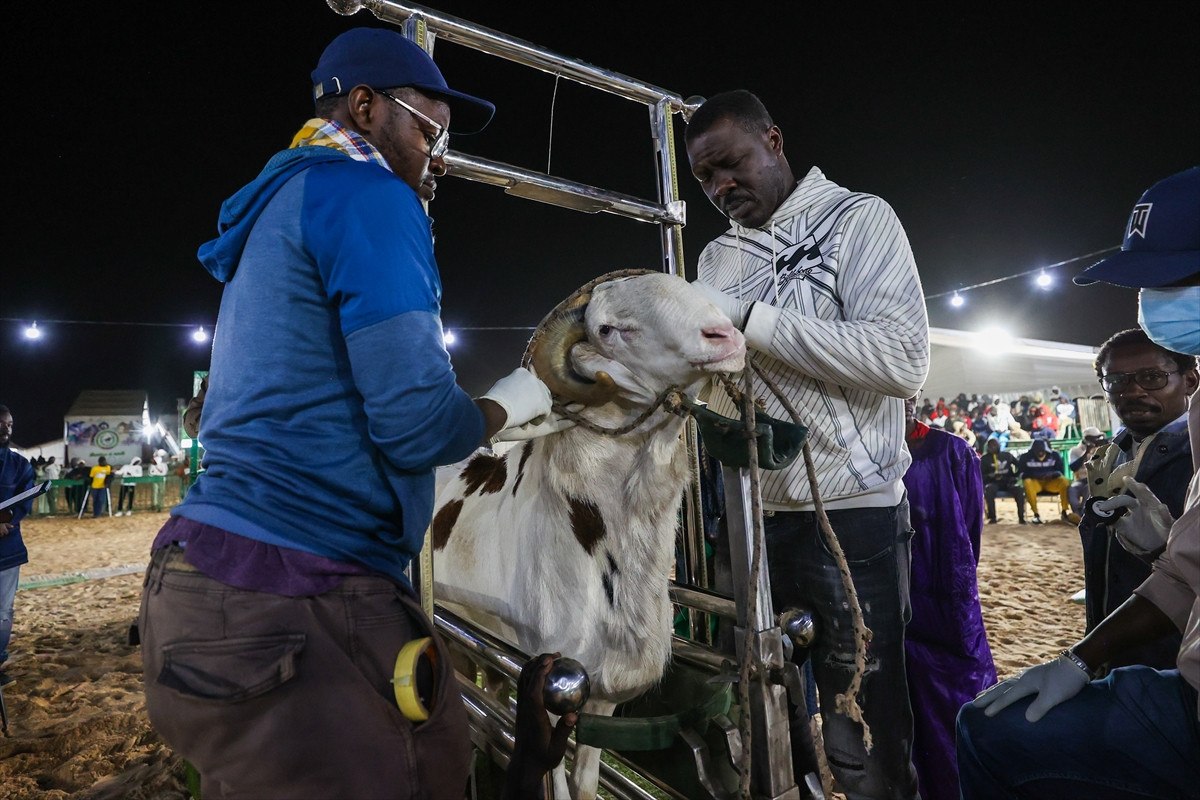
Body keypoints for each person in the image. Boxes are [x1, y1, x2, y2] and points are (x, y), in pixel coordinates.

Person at [138, 27, 563, 799]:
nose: (439, 157)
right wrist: (510, 403)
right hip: (297, 594)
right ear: (365, 107)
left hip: (198, 585)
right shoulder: (371, 196)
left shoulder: (282, 200)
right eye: (429, 131)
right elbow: (418, 424)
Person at [685, 89, 928, 797]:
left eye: (730, 164)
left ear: (774, 140)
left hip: (852, 515)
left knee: (863, 726)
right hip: (752, 518)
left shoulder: (859, 219)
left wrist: (748, 319)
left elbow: (900, 358)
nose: (720, 187)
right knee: (770, 717)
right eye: (704, 179)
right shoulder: (714, 259)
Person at [957, 165, 1200, 797]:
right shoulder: (1121, 445)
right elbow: (1184, 572)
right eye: (1117, 383)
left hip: (1171, 658)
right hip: (1156, 657)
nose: (1155, 299)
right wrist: (1081, 657)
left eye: (1174, 277)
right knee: (989, 730)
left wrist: (1166, 544)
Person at [1077, 328, 1196, 669]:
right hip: (1112, 649)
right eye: (1116, 380)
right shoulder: (1110, 454)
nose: (1133, 391)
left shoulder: (1197, 455)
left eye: (1152, 377)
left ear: (1189, 381)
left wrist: (1165, 551)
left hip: (1179, 664)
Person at [901, 398, 996, 800]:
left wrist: (954, 580)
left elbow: (971, 527)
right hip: (884, 590)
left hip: (944, 591)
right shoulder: (860, 450)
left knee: (958, 688)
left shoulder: (951, 450)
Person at [0, 405, 34, 687]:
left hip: (7, 551)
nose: (6, 430)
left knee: (2, 612)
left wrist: (8, 520)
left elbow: (25, 502)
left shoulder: (20, 465)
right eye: (1, 424)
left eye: (9, 425)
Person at [1016, 439, 1076, 524]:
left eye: (1042, 450)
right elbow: (1021, 474)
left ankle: (1064, 511)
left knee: (1064, 481)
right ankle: (1036, 514)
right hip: (1035, 483)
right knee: (1027, 482)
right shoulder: (1025, 457)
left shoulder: (1054, 455)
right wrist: (1035, 475)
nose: (1040, 453)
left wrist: (1051, 475)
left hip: (1050, 483)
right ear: (1033, 450)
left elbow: (1060, 472)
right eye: (1037, 451)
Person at [979, 435, 1027, 524]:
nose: (993, 447)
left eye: (995, 445)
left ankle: (1021, 517)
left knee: (1019, 490)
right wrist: (990, 476)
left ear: (999, 445)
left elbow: (1019, 465)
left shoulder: (1007, 456)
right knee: (989, 491)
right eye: (991, 446)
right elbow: (981, 475)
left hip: (1008, 480)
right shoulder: (984, 459)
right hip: (993, 482)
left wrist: (1015, 476)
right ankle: (992, 517)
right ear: (987, 447)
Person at [1066, 426, 1106, 515]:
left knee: (1089, 490)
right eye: (1095, 438)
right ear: (1087, 439)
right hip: (1080, 480)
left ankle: (1084, 514)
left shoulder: (1101, 449)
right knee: (1072, 490)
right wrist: (1086, 453)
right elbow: (1073, 467)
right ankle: (1077, 514)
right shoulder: (1075, 450)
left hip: (1094, 480)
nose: (1097, 440)